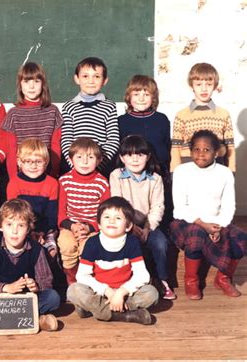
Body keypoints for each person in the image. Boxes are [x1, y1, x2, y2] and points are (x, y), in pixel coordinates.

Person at [170, 130, 246, 300]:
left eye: (206, 150)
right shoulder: (182, 171)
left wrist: (218, 227)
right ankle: (191, 281)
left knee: (241, 238)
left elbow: (228, 206)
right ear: (190, 151)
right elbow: (180, 207)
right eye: (196, 149)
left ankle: (223, 278)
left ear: (216, 152)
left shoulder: (224, 173)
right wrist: (204, 225)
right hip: (187, 221)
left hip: (216, 222)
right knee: (195, 236)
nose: (201, 154)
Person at [0, 199, 61, 332]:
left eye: (21, 225)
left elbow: (47, 281)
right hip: (1, 296)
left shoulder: (37, 249)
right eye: (9, 224)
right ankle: (36, 319)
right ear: (1, 226)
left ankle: (0, 318)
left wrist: (35, 285)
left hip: (25, 299)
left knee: (53, 298)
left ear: (29, 228)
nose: (14, 231)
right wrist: (6, 287)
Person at [67, 197, 159, 325]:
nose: (111, 221)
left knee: (151, 294)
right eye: (107, 217)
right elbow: (82, 275)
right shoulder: (92, 243)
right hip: (100, 292)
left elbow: (142, 275)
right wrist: (108, 292)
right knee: (73, 291)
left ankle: (95, 310)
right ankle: (125, 315)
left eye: (118, 218)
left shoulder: (132, 242)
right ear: (99, 224)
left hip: (125, 293)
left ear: (128, 226)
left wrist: (121, 292)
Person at [110, 135, 176, 300]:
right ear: (122, 158)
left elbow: (158, 206)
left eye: (140, 155)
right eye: (129, 155)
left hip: (148, 224)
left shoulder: (155, 178)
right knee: (127, 244)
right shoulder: (116, 175)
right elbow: (118, 205)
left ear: (147, 157)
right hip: (125, 225)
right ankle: (130, 281)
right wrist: (131, 227)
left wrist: (148, 228)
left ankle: (162, 279)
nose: (135, 159)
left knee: (160, 243)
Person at [57, 138, 110, 285]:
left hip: (93, 227)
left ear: (99, 160)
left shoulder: (102, 183)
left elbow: (105, 214)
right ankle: (73, 282)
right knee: (67, 246)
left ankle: (87, 283)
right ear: (70, 159)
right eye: (79, 157)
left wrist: (89, 227)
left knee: (87, 249)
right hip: (69, 225)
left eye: (90, 157)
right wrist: (72, 226)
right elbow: (61, 213)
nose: (84, 162)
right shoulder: (64, 181)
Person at [1, 62, 63, 178]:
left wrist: (54, 174)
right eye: (26, 81)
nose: (31, 86)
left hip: (47, 174)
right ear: (20, 85)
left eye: (36, 81)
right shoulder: (13, 114)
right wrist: (14, 178)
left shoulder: (52, 111)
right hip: (22, 175)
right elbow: (11, 149)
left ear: (43, 84)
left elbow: (55, 145)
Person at [170, 63, 235, 173]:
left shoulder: (224, 114)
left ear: (215, 86)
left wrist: (231, 171)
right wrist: (174, 173)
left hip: (217, 167)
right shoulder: (181, 115)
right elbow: (176, 148)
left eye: (209, 84)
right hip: (188, 167)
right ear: (192, 86)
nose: (204, 89)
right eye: (199, 84)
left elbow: (230, 148)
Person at [61, 57, 119, 177]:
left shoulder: (109, 106)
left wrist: (98, 164)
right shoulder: (69, 107)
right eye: (85, 76)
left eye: (96, 76)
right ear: (77, 79)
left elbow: (113, 140)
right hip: (75, 169)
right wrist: (75, 164)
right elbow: (66, 140)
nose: (91, 81)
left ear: (104, 80)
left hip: (100, 168)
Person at [7, 138, 58, 257]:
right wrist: (30, 232)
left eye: (38, 161)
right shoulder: (14, 183)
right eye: (28, 161)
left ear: (46, 162)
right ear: (20, 162)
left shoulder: (52, 183)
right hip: (21, 227)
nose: (33, 166)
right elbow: (13, 214)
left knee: (51, 252)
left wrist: (42, 232)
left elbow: (51, 215)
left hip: (46, 229)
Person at [118, 75, 171, 177]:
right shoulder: (122, 121)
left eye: (146, 94)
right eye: (136, 94)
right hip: (130, 175)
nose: (141, 99)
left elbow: (167, 147)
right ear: (129, 96)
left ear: (153, 98)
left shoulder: (162, 119)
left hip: (159, 174)